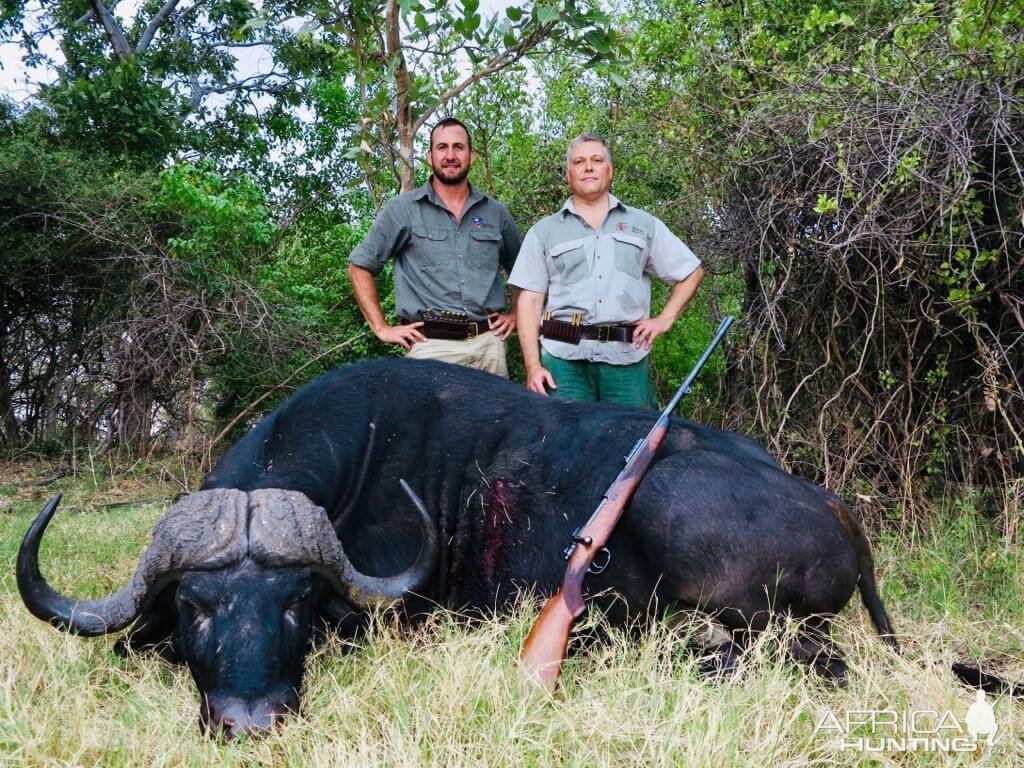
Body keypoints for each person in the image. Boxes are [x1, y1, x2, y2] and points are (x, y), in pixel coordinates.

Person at [509, 133, 704, 407]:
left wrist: (664, 319)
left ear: (609, 170)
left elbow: (690, 272)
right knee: (564, 446)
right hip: (562, 363)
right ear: (569, 174)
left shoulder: (643, 225)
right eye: (579, 161)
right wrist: (532, 366)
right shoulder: (544, 232)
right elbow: (529, 301)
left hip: (626, 361)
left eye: (596, 160)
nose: (588, 167)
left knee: (630, 444)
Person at [348, 118, 521, 377]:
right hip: (431, 348)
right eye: (442, 148)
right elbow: (360, 267)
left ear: (471, 155)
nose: (450, 155)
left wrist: (517, 313)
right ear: (430, 156)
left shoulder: (496, 213)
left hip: (489, 346)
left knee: (496, 419)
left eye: (458, 147)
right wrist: (381, 328)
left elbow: (524, 271)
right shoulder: (402, 210)